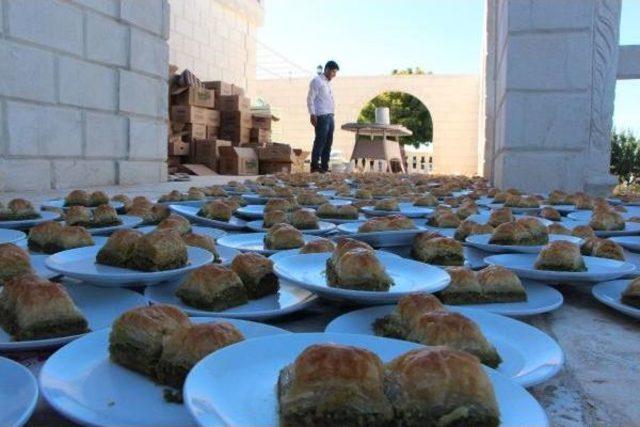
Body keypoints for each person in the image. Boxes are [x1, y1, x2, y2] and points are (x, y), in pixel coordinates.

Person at [307, 60, 339, 173]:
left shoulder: (328, 83)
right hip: (321, 115)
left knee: (328, 142)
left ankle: (324, 166)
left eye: (335, 73)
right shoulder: (317, 81)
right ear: (327, 69)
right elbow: (310, 98)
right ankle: (314, 165)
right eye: (333, 72)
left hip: (330, 115)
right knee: (320, 141)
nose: (334, 75)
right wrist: (312, 114)